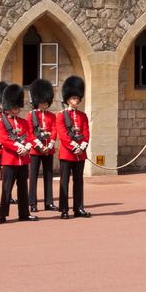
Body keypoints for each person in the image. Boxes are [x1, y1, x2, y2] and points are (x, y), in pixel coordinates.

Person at [0, 83, 37, 224]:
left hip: (23, 160)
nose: (15, 110)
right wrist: (18, 147)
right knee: (6, 188)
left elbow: (31, 137)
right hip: (10, 160)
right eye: (13, 107)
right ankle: (2, 215)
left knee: (23, 188)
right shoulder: (2, 123)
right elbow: (3, 139)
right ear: (8, 107)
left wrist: (27, 148)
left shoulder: (24, 122)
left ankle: (24, 213)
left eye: (17, 107)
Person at [57, 75, 92, 218]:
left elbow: (86, 132)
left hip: (80, 153)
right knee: (64, 181)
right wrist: (73, 146)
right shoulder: (61, 115)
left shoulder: (82, 116)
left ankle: (78, 208)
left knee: (79, 181)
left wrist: (82, 146)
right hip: (67, 153)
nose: (75, 101)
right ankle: (64, 209)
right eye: (73, 99)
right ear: (67, 100)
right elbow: (62, 134)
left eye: (77, 99)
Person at [27, 78, 58, 212]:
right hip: (35, 150)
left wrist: (50, 144)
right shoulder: (31, 115)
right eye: (41, 102)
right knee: (33, 177)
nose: (44, 104)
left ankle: (49, 202)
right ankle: (32, 203)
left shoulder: (51, 116)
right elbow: (29, 132)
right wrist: (40, 146)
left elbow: (54, 129)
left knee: (48, 176)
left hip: (48, 149)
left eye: (46, 102)